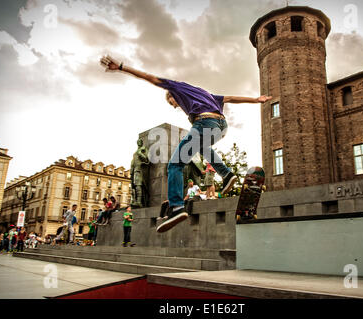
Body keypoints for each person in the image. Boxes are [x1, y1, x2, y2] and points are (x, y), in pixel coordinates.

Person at [100, 55, 272, 233]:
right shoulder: (206, 94)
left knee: (175, 164)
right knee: (203, 147)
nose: (174, 106)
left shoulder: (175, 87)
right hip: (221, 126)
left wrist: (121, 67)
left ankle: (176, 207)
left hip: (204, 123)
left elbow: (148, 77)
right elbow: (230, 98)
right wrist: (256, 100)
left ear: (172, 95)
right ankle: (227, 175)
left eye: (171, 102)